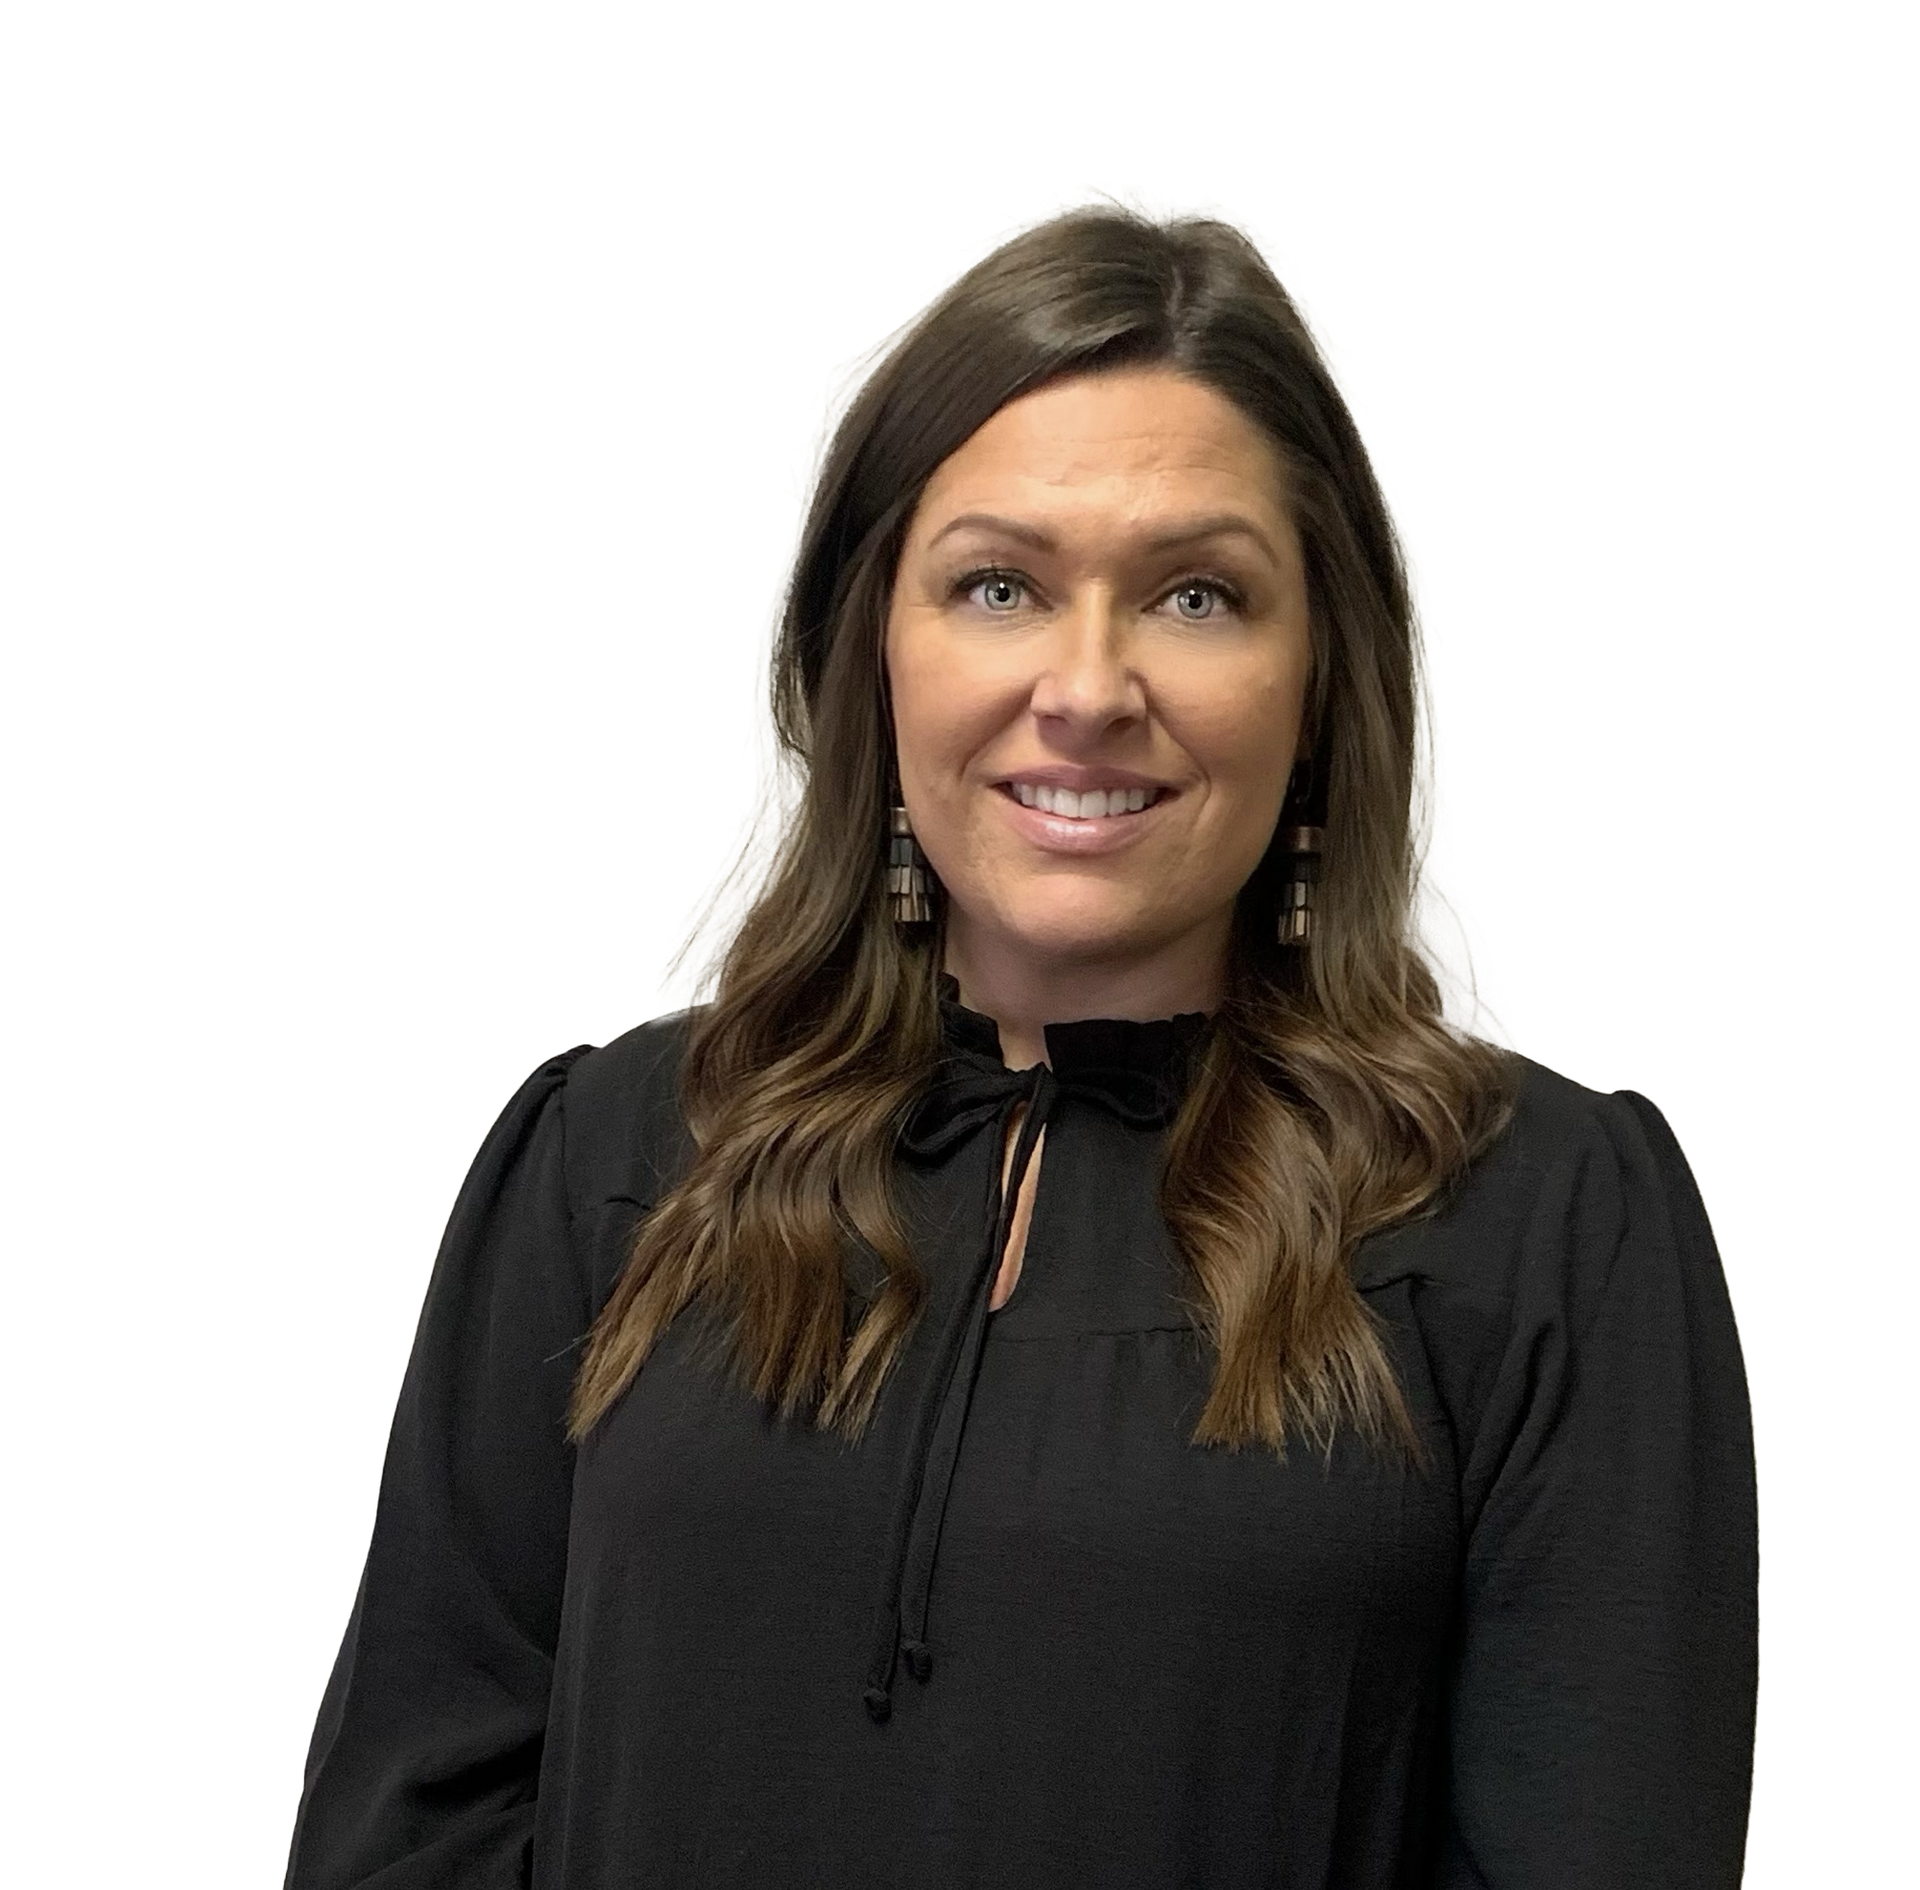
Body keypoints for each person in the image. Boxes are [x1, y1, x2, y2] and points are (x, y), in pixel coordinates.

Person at [284, 185, 1758, 1888]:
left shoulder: (1550, 1220)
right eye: (997, 586)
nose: (1085, 685)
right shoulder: (605, 1162)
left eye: (1199, 597)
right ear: (874, 648)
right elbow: (408, 1832)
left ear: (1320, 677)